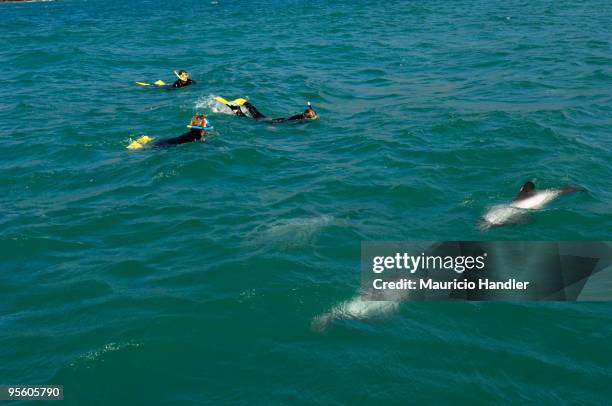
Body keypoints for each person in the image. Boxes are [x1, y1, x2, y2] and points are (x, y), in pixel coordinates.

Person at [225, 100, 317, 123]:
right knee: (254, 120)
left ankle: (247, 104)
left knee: (258, 116)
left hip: (279, 119)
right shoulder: (302, 119)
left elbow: (310, 111)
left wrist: (311, 111)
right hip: (275, 122)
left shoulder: (302, 114)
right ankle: (237, 110)